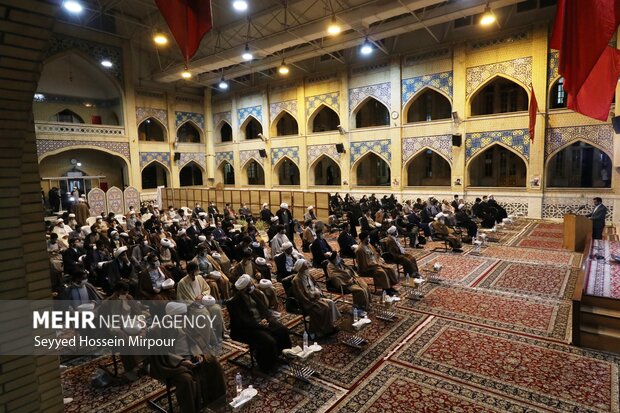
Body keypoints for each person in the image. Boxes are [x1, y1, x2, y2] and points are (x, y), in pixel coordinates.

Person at [146, 302, 227, 413]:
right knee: (186, 379)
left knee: (212, 362)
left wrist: (197, 353)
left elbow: (193, 340)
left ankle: (216, 400)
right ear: (172, 316)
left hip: (190, 355)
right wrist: (182, 361)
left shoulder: (183, 321)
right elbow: (163, 353)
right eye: (181, 316)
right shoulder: (158, 330)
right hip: (172, 363)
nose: (184, 318)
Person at [226, 274, 292, 372]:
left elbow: (263, 308)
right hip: (247, 328)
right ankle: (268, 365)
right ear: (244, 288)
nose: (253, 285)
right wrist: (260, 325)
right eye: (250, 284)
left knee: (282, 330)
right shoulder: (235, 302)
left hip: (260, 321)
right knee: (269, 341)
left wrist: (266, 318)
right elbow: (244, 321)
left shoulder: (253, 293)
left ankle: (281, 354)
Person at [176, 262, 225, 349]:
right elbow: (181, 300)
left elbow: (206, 288)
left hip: (204, 301)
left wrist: (202, 295)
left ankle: (220, 334)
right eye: (195, 271)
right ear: (190, 272)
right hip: (192, 306)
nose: (197, 273)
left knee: (216, 309)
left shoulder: (199, 277)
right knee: (204, 315)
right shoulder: (181, 283)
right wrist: (193, 303)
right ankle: (211, 340)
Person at [291, 259, 340, 338]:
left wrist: (318, 293)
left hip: (316, 298)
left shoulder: (308, 274)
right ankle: (324, 330)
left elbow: (315, 285)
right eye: (306, 265)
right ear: (301, 268)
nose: (308, 266)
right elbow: (300, 295)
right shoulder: (296, 280)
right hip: (307, 302)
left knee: (330, 303)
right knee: (324, 307)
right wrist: (311, 304)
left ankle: (330, 325)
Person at [356, 231, 399, 295]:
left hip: (374, 263)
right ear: (364, 238)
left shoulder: (368, 244)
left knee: (389, 269)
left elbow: (375, 254)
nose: (369, 238)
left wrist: (378, 258)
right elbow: (362, 264)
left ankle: (390, 287)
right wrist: (374, 264)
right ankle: (386, 289)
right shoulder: (360, 249)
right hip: (368, 267)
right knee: (382, 272)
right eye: (368, 237)